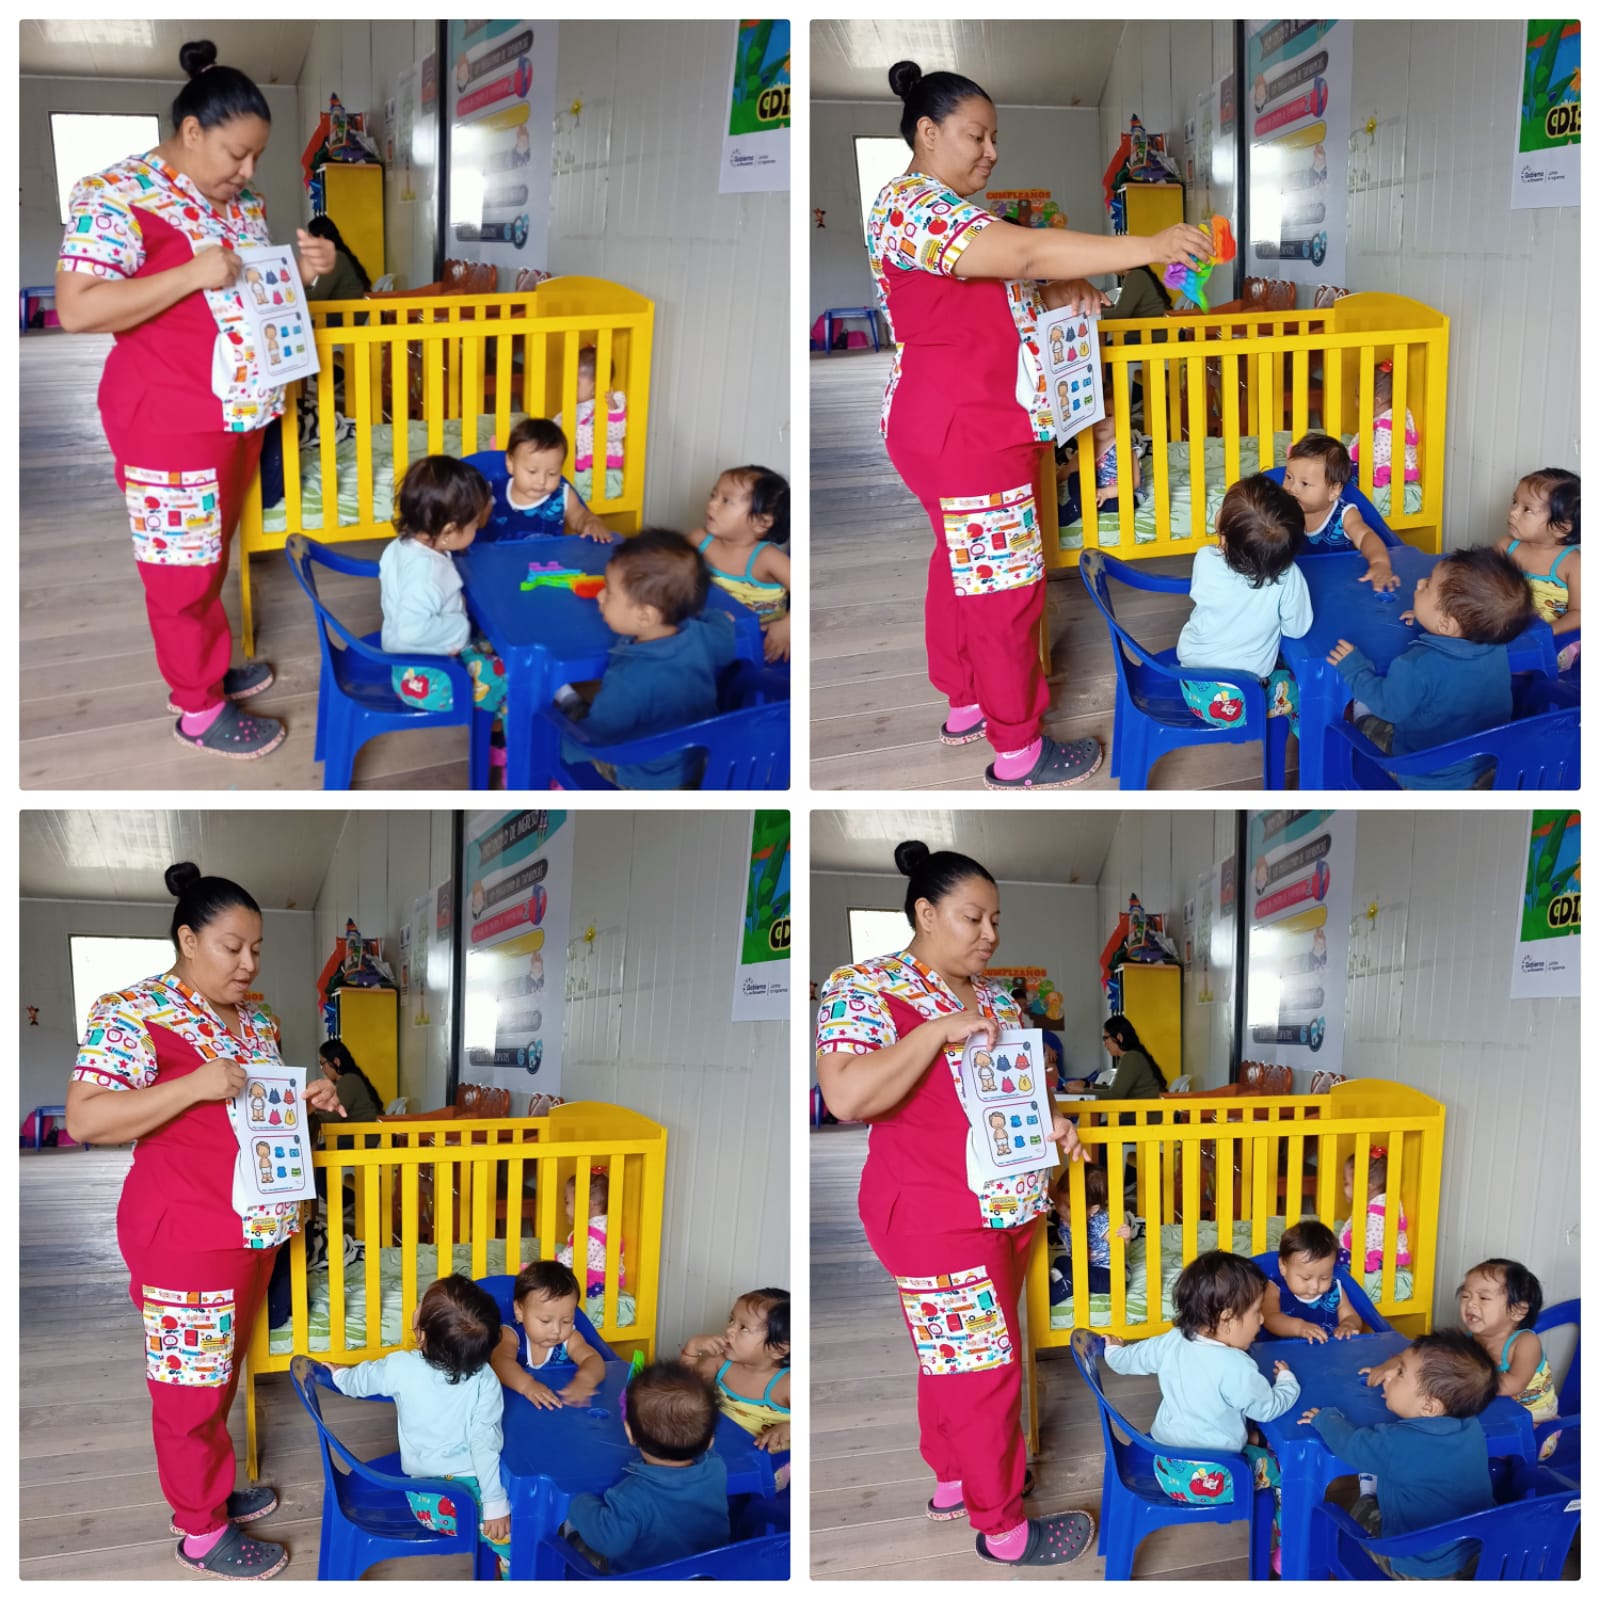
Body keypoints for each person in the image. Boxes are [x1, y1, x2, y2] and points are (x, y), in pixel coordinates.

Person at [869, 60, 1209, 789]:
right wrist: (1150, 247)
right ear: (927, 133)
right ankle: (1018, 749)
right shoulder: (915, 206)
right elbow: (1022, 252)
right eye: (976, 136)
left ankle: (966, 702)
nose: (991, 152)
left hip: (948, 422)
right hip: (968, 428)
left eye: (994, 138)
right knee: (1004, 591)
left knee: (961, 564)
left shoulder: (937, 212)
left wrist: (1057, 283)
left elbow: (1001, 278)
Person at [54, 39, 337, 759]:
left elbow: (245, 294)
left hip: (239, 410)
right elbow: (78, 308)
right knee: (178, 568)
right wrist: (188, 273)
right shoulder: (113, 195)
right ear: (190, 131)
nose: (248, 172)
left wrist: (304, 272)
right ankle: (197, 707)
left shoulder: (243, 203)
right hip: (169, 415)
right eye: (236, 154)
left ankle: (206, 667)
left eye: (256, 156)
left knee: (207, 555)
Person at [65, 862, 347, 1579]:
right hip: (186, 1232)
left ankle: (211, 1491)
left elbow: (249, 1109)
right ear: (188, 940)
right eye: (232, 947)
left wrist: (302, 1099)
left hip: (255, 1228)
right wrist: (192, 1083)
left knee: (217, 1375)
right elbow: (86, 1118)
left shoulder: (258, 1022)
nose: (249, 964)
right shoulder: (133, 1011)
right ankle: (198, 1529)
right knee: (187, 1389)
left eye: (257, 949)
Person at [816, 840, 1090, 1566]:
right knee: (984, 1371)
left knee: (957, 1353)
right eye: (974, 918)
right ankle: (1002, 1528)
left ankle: (952, 1479)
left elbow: (1015, 1095)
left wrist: (1053, 1125)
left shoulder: (998, 998)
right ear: (926, 913)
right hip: (933, 1213)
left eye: (996, 920)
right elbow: (845, 1095)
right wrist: (936, 1031)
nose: (990, 934)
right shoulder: (864, 986)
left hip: (1012, 1205)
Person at [1102, 1252, 1298, 1568]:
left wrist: (1112, 1351)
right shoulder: (1237, 1367)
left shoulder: (1172, 1340)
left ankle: (1250, 1444)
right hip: (1212, 1479)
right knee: (1284, 1471)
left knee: (1244, 1430)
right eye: (1256, 1312)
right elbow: (1269, 1409)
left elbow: (1127, 1361)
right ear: (1227, 1318)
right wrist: (1288, 1382)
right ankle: (1289, 1547)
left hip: (1165, 1465)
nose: (1262, 1321)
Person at [320, 1275, 511, 1576]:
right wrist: (495, 1503)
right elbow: (484, 1443)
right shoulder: (485, 1380)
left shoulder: (399, 1366)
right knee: (524, 1530)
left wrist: (341, 1375)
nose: (416, 1306)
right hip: (465, 1498)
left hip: (425, 1500)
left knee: (516, 1520)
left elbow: (359, 1382)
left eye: (421, 1304)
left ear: (423, 1335)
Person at [1327, 547, 1536, 788]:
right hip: (1487, 763)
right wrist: (1427, 618)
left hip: (1425, 774)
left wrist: (1355, 670)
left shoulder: (1415, 665)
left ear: (1445, 624)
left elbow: (1387, 707)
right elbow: (1458, 639)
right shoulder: (1495, 646)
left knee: (1362, 722)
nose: (1420, 582)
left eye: (1427, 586)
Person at [1300, 1331, 1497, 1579]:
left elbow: (1351, 1444)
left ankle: (1368, 1493)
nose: (1390, 1374)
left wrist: (1325, 1419)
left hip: (1420, 1566)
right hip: (1476, 1555)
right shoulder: (1470, 1425)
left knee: (1360, 1512)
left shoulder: (1396, 1442)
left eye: (1400, 1373)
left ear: (1429, 1407)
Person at [560, 530, 736, 789]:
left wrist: (561, 748)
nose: (599, 596)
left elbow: (596, 740)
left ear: (645, 616)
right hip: (696, 763)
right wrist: (715, 616)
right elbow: (726, 638)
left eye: (609, 592)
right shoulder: (701, 634)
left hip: (642, 775)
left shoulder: (627, 680)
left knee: (572, 725)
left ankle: (571, 705)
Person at [1174, 474, 1311, 734]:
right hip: (1242, 701)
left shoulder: (1205, 558)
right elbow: (1296, 629)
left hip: (1191, 684)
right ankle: (1305, 733)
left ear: (1225, 537)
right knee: (1307, 689)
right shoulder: (1289, 576)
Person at [562, 1364, 731, 1573]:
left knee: (572, 1530)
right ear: (710, 1442)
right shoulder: (715, 1467)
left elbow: (609, 1542)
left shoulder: (631, 1496)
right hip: (707, 1574)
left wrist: (580, 1503)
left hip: (647, 1579)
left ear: (630, 1434)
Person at [379, 455, 508, 720]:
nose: (477, 528)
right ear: (448, 531)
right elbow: (410, 631)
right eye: (474, 524)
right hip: (425, 679)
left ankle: (493, 721)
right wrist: (459, 628)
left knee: (501, 647)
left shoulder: (401, 546)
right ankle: (504, 735)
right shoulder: (426, 573)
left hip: (409, 662)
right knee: (512, 678)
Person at [693, 466, 792, 663]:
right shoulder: (699, 540)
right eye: (713, 495)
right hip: (710, 632)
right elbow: (670, 568)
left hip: (762, 646)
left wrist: (788, 625)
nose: (712, 504)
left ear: (761, 522)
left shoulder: (767, 558)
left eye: (726, 501)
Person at [1277, 433, 1399, 591]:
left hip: (1341, 584)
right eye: (1288, 477)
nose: (1292, 488)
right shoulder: (1283, 510)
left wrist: (1379, 563)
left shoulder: (1345, 515)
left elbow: (1366, 537)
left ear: (1333, 491)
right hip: (1301, 585)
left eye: (1304, 483)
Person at [466, 417, 615, 544]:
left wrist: (592, 523)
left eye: (552, 473)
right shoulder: (492, 492)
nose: (541, 481)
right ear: (510, 464)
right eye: (532, 471)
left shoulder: (563, 496)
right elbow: (473, 525)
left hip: (548, 567)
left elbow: (581, 517)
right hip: (500, 565)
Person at [681, 1287, 791, 1454]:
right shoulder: (719, 1361)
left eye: (743, 1328)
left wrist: (789, 1428)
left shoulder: (787, 1384)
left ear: (778, 1349)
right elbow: (683, 1391)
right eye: (731, 1320)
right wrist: (691, 1349)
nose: (729, 1330)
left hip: (767, 1461)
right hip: (721, 1450)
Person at [488, 1260, 606, 1409]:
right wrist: (527, 1385)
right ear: (520, 1311)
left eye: (566, 1321)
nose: (557, 1330)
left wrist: (585, 1380)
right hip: (518, 1408)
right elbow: (500, 1362)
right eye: (545, 1321)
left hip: (559, 1410)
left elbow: (593, 1359)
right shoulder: (511, 1335)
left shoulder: (570, 1338)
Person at [1495, 468, 1580, 668]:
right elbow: (1483, 582)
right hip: (1510, 625)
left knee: (1548, 656)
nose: (1513, 512)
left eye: (1527, 509)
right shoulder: (1506, 547)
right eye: (1514, 502)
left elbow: (1580, 612)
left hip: (1555, 634)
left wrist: (1547, 630)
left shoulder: (1573, 563)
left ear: (1561, 527)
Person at [1046, 1162, 1140, 1305]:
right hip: (1085, 1265)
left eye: (1069, 1206)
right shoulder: (1066, 1212)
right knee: (1061, 1261)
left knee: (1079, 1277)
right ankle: (1063, 1278)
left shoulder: (1099, 1222)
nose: (1061, 1208)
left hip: (1109, 1274)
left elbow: (1118, 1245)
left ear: (1092, 1210)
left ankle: (1052, 1295)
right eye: (1060, 1201)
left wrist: (1125, 1238)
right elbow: (1051, 1189)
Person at [1261, 1219, 1363, 1342]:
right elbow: (1270, 1318)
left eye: (1324, 1277)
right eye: (1306, 1278)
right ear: (1283, 1267)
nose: (1315, 1286)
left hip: (1328, 1352)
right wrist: (1300, 1328)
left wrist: (1348, 1325)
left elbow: (1351, 1316)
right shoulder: (1274, 1288)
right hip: (1283, 1352)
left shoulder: (1335, 1289)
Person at [553, 345, 627, 505]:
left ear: (595, 386)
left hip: (602, 473)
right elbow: (557, 427)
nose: (570, 388)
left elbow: (615, 432)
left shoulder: (608, 404)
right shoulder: (571, 409)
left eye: (576, 383)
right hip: (577, 470)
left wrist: (612, 407)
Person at [1337, 1149, 1411, 1275]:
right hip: (1373, 1253)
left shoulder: (1379, 1208)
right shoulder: (1371, 1204)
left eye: (1346, 1183)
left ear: (1366, 1188)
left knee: (1338, 1257)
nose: (1344, 1188)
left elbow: (1374, 1236)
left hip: (1378, 1257)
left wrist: (1353, 1239)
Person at [1347, 361, 1418, 489]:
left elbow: (1382, 452)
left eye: (1358, 396)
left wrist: (1357, 451)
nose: (1355, 402)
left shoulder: (1388, 423)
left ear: (1376, 401)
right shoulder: (1386, 417)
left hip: (1392, 471)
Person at [1065, 1014, 1168, 1100]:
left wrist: (1082, 1091)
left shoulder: (1131, 1058)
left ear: (1119, 1037)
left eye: (1106, 1038)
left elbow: (1115, 1095)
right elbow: (1117, 1090)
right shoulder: (1134, 1056)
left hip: (1141, 1116)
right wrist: (1088, 1085)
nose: (1105, 1044)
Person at [557, 1171, 625, 1299]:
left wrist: (551, 1262)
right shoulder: (606, 1224)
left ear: (587, 1205)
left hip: (594, 1285)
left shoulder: (592, 1233)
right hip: (604, 1282)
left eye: (567, 1202)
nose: (564, 1208)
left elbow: (573, 1259)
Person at [301, 214, 371, 302]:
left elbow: (317, 296)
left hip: (348, 310)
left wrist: (293, 293)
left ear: (321, 238)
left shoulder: (335, 258)